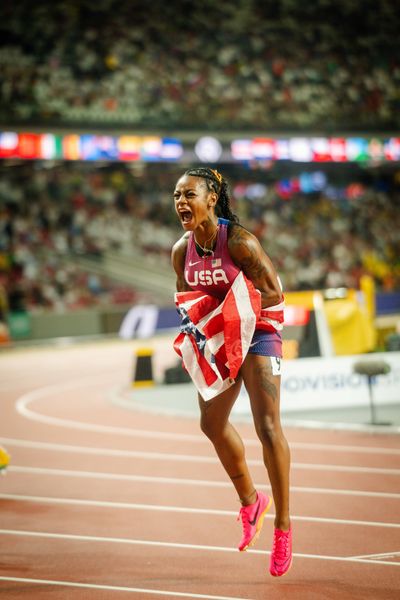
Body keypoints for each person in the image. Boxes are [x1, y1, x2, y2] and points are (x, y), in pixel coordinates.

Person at [171, 167, 292, 577]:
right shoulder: (180, 251)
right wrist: (202, 327)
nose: (181, 203)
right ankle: (250, 500)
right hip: (222, 336)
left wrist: (235, 313)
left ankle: (283, 526)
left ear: (211, 198)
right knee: (211, 422)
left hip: (257, 330)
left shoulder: (239, 243)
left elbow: (274, 293)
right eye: (176, 196)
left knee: (268, 427)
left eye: (189, 194)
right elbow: (186, 295)